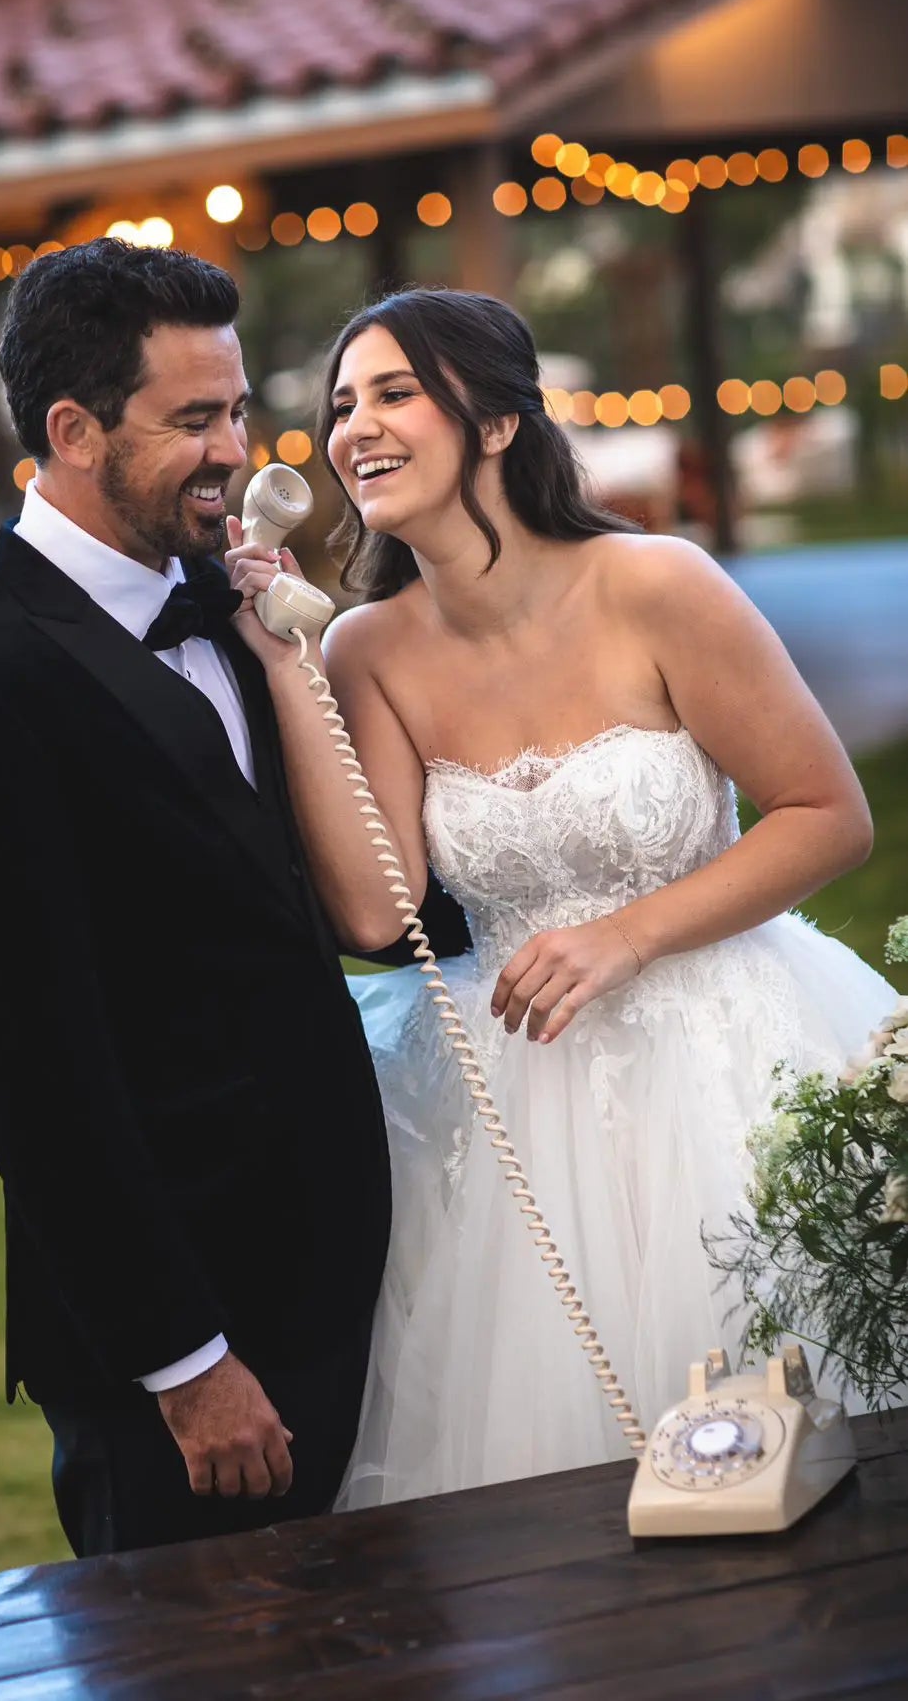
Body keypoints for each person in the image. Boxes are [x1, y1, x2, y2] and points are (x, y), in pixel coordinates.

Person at [224, 287, 898, 1509]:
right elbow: (379, 915)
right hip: (515, 1097)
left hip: (729, 1052)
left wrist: (626, 936)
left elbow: (827, 814)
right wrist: (286, 667)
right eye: (339, 405)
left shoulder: (657, 585)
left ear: (493, 423)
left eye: (392, 393)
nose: (353, 428)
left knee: (807, 1457)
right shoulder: (363, 649)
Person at [0, 238, 395, 1555]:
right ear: (73, 429)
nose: (236, 450)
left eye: (235, 408)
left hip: (339, 1282)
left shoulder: (227, 604)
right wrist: (185, 1362)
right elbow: (30, 1072)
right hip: (187, 1354)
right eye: (193, 419)